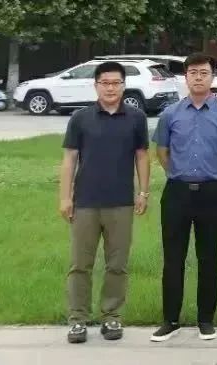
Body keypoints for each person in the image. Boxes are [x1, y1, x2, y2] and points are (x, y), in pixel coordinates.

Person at [150, 53, 217, 343]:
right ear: (186, 77)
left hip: (211, 193)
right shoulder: (170, 114)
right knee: (173, 258)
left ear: (212, 77)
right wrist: (176, 174)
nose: (198, 77)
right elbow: (162, 151)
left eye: (203, 72)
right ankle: (170, 320)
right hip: (176, 192)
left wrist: (213, 175)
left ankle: (206, 320)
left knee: (208, 258)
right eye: (193, 73)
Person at [59, 60, 150, 344]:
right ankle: (77, 320)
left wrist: (143, 192)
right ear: (96, 85)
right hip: (85, 202)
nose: (111, 88)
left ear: (124, 86)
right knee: (80, 264)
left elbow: (142, 156)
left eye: (116, 83)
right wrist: (65, 197)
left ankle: (112, 316)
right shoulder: (80, 118)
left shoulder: (136, 118)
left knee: (117, 265)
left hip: (121, 203)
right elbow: (69, 159)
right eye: (105, 83)